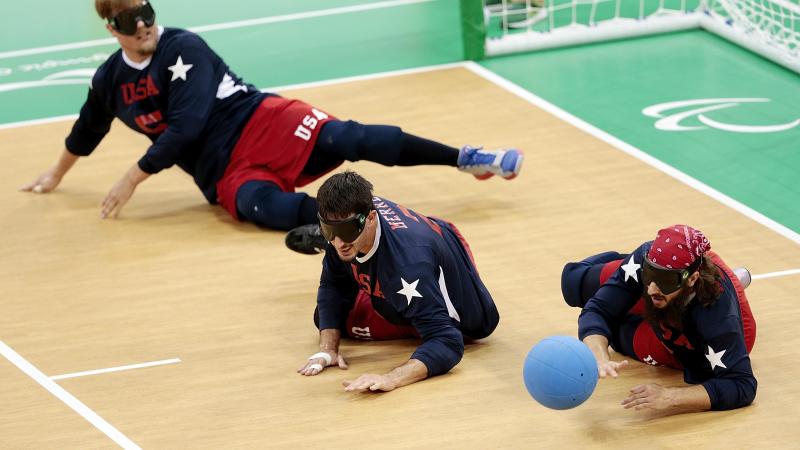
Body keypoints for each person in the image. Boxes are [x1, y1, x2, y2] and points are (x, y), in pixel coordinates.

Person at [21, 0, 523, 253]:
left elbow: (189, 125)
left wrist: (133, 175)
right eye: (131, 20)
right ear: (112, 29)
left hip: (260, 121)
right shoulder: (111, 80)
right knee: (265, 210)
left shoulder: (184, 48)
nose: (145, 25)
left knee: (348, 138)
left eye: (148, 12)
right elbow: (87, 130)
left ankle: (467, 159)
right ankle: (369, 235)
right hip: (221, 170)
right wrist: (56, 175)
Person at [296, 171, 499, 393]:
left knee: (346, 320)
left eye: (345, 230)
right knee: (327, 316)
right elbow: (332, 284)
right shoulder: (350, 224)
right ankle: (353, 250)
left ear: (372, 218)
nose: (338, 242)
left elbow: (447, 342)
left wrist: (392, 378)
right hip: (442, 235)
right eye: (328, 229)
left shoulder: (409, 268)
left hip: (461, 311)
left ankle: (367, 266)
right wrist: (328, 350)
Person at [560, 225, 757, 412]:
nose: (652, 288)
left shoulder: (718, 320)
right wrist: (600, 358)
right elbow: (598, 310)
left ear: (692, 279)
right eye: (649, 274)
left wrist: (670, 397)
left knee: (618, 334)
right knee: (572, 283)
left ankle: (733, 282)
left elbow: (742, 384)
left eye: (663, 279)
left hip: (693, 343)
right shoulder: (650, 267)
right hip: (671, 298)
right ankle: (622, 265)